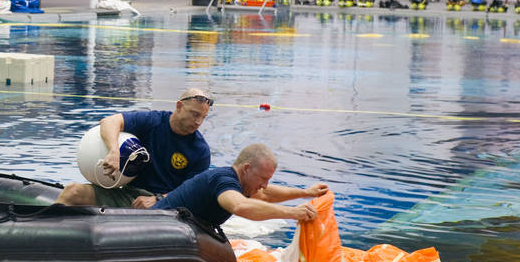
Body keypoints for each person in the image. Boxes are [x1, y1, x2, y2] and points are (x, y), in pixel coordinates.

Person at [56, 88, 213, 208]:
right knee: (72, 191)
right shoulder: (153, 121)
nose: (198, 122)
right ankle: (42, 239)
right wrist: (114, 151)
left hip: (165, 206)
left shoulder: (200, 151)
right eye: (194, 114)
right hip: (127, 193)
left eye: (203, 117)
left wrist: (158, 199)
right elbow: (109, 122)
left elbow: (192, 192)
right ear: (179, 106)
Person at [152, 143, 327, 227]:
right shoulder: (223, 181)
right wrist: (292, 212)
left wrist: (306, 192)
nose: (264, 185)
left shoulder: (237, 183)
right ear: (246, 169)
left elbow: (266, 195)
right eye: (263, 178)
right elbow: (240, 206)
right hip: (154, 226)